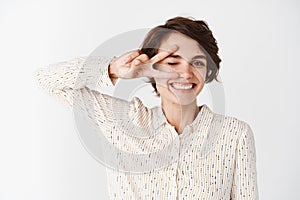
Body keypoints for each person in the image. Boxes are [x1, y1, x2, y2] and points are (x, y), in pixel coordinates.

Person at [34, 16, 258, 199]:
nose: (186, 73)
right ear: (152, 68)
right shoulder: (121, 122)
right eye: (172, 62)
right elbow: (45, 80)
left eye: (197, 62)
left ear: (208, 71)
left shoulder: (234, 135)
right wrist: (113, 70)